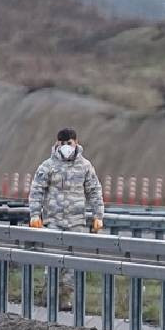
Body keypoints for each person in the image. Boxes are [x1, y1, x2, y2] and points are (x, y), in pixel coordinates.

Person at [28, 128, 104, 308]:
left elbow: (94, 191)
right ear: (56, 144)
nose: (65, 147)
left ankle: (65, 299)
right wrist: (35, 214)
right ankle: (48, 296)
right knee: (52, 260)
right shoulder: (48, 166)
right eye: (62, 144)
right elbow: (37, 190)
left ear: (76, 143)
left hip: (76, 221)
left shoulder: (85, 166)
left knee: (72, 263)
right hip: (54, 220)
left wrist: (98, 215)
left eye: (69, 143)